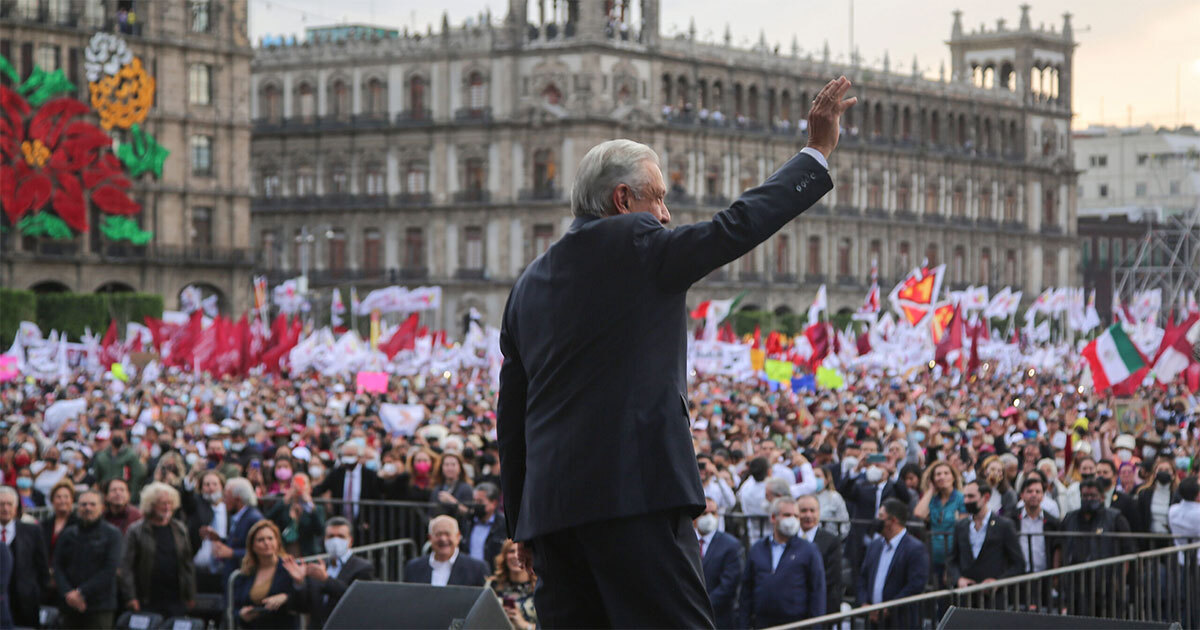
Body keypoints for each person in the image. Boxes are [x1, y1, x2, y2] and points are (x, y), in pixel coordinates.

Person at [497, 77, 855, 628]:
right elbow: (736, 226)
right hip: (635, 502)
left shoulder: (527, 284)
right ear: (623, 199)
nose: (665, 213)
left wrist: (519, 521)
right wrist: (816, 152)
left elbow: (512, 416)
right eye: (657, 197)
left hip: (553, 520)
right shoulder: (640, 247)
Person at [740, 497, 825, 628]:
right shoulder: (758, 548)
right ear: (773, 518)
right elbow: (746, 591)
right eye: (787, 515)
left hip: (796, 625)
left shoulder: (809, 550)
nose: (792, 520)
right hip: (762, 623)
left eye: (796, 516)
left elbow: (817, 593)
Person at [120, 482, 196, 618]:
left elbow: (187, 564)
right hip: (147, 598)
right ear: (151, 505)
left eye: (170, 503)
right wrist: (131, 597)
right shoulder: (136, 530)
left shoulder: (180, 529)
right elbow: (126, 566)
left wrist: (190, 594)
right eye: (162, 503)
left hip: (175, 598)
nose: (167, 507)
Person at [53, 490, 123, 629]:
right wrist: (68, 593)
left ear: (102, 507)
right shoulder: (68, 533)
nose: (87, 508)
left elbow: (109, 570)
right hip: (69, 605)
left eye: (92, 504)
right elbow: (57, 565)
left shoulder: (112, 534)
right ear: (77, 507)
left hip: (100, 607)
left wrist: (81, 592)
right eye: (83, 504)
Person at [857, 498, 929, 629]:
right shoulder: (875, 545)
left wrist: (887, 609)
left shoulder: (915, 548)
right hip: (874, 622)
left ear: (893, 520)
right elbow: (863, 576)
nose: (877, 520)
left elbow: (915, 585)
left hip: (901, 621)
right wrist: (864, 604)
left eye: (881, 516)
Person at [946, 481, 1025, 588]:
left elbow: (1018, 563)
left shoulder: (1004, 525)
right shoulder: (960, 526)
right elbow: (952, 560)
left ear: (986, 497)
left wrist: (998, 582)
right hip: (966, 594)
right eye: (964, 497)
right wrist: (959, 579)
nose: (966, 501)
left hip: (994, 597)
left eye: (971, 496)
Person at [232, 520, 308, 629]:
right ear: (252, 546)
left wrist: (286, 597)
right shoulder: (247, 572)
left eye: (270, 538)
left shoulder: (289, 568)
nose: (266, 543)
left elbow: (303, 603)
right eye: (260, 540)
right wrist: (241, 615)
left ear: (277, 542)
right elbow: (235, 607)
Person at [304, 517, 374, 629]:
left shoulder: (362, 567)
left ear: (350, 541)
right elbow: (305, 605)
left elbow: (356, 600)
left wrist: (326, 580)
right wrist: (298, 583)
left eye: (341, 536)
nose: (335, 541)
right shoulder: (319, 566)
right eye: (331, 536)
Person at [1, 486, 50, 628]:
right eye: (1, 504)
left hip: (26, 603)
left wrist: (38, 594)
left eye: (9, 504)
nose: (5, 508)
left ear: (16, 507)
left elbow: (42, 567)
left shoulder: (32, 531)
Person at [913, 460, 964, 588]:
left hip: (954, 556)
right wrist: (930, 490)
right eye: (938, 474)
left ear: (953, 477)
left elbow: (963, 528)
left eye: (946, 473)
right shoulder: (933, 500)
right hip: (934, 556)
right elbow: (919, 513)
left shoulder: (960, 498)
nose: (942, 477)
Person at [695, 498, 743, 629]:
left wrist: (703, 606)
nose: (709, 517)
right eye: (705, 513)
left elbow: (728, 585)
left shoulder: (731, 545)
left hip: (719, 618)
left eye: (714, 513)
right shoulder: (686, 543)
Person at [313, 441, 381, 532]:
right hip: (340, 521)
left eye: (351, 455)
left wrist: (369, 521)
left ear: (359, 456)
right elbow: (321, 488)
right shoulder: (336, 473)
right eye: (346, 455)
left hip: (363, 524)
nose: (348, 458)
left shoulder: (370, 475)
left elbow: (377, 498)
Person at [405, 515, 489, 586]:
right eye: (438, 534)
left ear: (458, 536)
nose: (443, 539)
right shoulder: (413, 568)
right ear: (430, 538)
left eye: (447, 534)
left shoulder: (477, 569)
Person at [797, 493, 844, 619]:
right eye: (803, 511)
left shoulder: (831, 541)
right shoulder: (790, 539)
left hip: (820, 607)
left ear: (819, 512)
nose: (808, 515)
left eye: (812, 510)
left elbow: (831, 576)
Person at [1008, 475, 1061, 573]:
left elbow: (1056, 548)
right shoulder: (1012, 519)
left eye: (1038, 492)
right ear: (1022, 495)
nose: (1034, 495)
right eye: (1029, 491)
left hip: (1044, 576)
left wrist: (1055, 574)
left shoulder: (1052, 522)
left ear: (1043, 496)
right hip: (1017, 576)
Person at [187, 471, 228, 595]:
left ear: (222, 486)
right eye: (207, 484)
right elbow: (187, 498)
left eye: (215, 484)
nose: (211, 488)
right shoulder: (196, 504)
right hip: (198, 569)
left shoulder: (229, 509)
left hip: (223, 568)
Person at [266, 472, 325, 557]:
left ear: (310, 488)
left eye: (302, 483)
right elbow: (268, 521)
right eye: (295, 484)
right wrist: (283, 502)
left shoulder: (316, 509)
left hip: (307, 554)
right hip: (285, 552)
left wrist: (310, 506)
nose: (298, 487)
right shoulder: (284, 507)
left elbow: (320, 530)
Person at [217, 477, 265, 581]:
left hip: (244, 579)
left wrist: (232, 553)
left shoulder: (254, 519)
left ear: (238, 499)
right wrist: (219, 539)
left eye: (226, 496)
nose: (223, 501)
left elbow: (262, 550)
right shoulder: (237, 516)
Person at [487, 539, 539, 630]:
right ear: (504, 556)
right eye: (511, 551)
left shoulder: (540, 586)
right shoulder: (492, 585)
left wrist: (524, 625)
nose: (516, 556)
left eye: (521, 551)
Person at [1133, 458, 1180, 547]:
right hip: (1149, 541)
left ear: (1173, 474)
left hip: (1170, 542)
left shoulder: (1178, 495)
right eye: (1160, 470)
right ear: (1154, 474)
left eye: (1167, 470)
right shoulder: (1144, 493)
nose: (1163, 472)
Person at [461, 482, 506, 566]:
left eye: (480, 502)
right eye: (474, 500)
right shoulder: (467, 521)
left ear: (494, 503)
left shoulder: (503, 525)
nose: (476, 504)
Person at [810, 465, 849, 537]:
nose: (814, 479)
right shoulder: (806, 496)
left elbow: (844, 522)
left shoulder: (835, 497)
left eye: (818, 476)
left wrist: (836, 540)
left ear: (827, 479)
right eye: (812, 476)